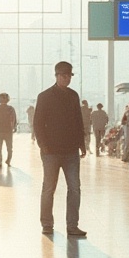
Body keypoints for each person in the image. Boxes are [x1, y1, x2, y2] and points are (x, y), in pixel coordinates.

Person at [34, 61, 87, 237]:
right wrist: (43, 145)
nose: (66, 79)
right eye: (63, 75)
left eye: (69, 76)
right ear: (56, 76)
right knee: (49, 187)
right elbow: (38, 123)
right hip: (51, 151)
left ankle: (72, 225)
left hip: (71, 150)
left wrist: (82, 143)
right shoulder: (45, 96)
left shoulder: (73, 96)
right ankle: (47, 223)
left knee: (75, 188)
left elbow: (78, 120)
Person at [0, 93, 17, 168]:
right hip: (8, 131)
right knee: (9, 147)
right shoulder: (11, 109)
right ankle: (8, 160)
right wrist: (14, 127)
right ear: (7, 99)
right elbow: (14, 119)